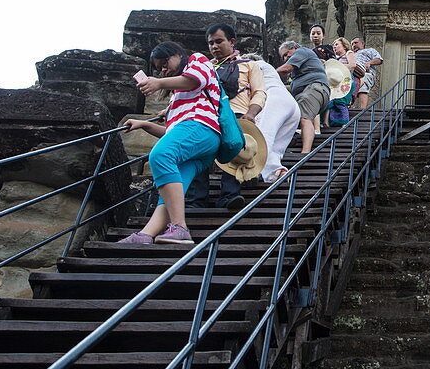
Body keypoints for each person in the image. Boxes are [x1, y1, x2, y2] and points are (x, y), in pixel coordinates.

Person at [119, 42, 222, 245]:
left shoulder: (197, 59)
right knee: (172, 189)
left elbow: (194, 80)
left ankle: (180, 227)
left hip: (202, 127)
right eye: (159, 68)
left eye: (164, 63)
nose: (163, 69)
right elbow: (173, 134)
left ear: (177, 54)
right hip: (200, 141)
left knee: (160, 156)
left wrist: (158, 82)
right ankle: (146, 234)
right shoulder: (177, 99)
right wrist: (143, 125)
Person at [186, 23, 267, 212]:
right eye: (211, 43)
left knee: (235, 152)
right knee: (200, 153)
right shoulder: (205, 68)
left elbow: (259, 92)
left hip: (237, 114)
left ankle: (229, 195)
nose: (214, 46)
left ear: (232, 42)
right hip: (206, 115)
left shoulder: (249, 65)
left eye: (219, 41)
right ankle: (197, 199)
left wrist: (251, 114)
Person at [244, 54, 301, 183]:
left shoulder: (254, 65)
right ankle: (274, 173)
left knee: (263, 135)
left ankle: (253, 171)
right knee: (276, 146)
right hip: (290, 103)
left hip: (273, 97)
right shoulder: (269, 69)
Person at [277, 41, 330, 154]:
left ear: (295, 48)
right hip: (308, 91)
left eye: (287, 54)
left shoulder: (302, 51)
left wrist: (267, 74)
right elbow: (293, 86)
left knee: (304, 118)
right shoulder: (301, 71)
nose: (286, 58)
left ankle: (305, 153)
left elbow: (286, 69)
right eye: (283, 57)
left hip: (314, 88)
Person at [326, 37, 361, 127]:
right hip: (337, 81)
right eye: (333, 45)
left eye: (337, 44)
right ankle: (331, 122)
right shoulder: (335, 58)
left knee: (341, 101)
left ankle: (344, 123)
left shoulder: (349, 53)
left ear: (344, 46)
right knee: (333, 101)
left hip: (346, 80)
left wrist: (338, 67)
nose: (334, 46)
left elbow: (352, 65)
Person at [350, 35, 383, 110]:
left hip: (365, 72)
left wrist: (369, 63)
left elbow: (379, 59)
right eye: (352, 44)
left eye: (355, 43)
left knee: (363, 86)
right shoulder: (351, 54)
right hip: (352, 72)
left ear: (362, 43)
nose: (354, 45)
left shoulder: (369, 50)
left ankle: (362, 109)